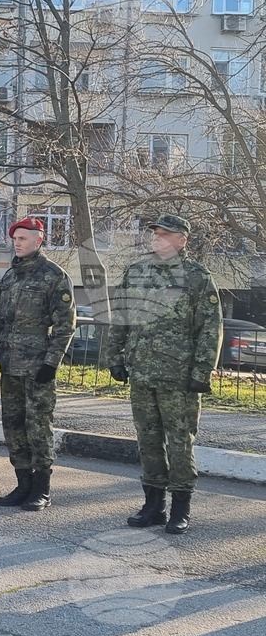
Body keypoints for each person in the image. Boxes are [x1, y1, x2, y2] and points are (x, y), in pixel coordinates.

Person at [105, 214, 223, 535]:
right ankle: (153, 506)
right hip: (142, 372)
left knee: (180, 442)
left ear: (182, 240)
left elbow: (210, 328)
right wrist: (114, 357)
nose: (156, 238)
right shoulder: (137, 271)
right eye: (155, 233)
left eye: (164, 234)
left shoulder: (197, 277)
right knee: (148, 440)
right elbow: (122, 317)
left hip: (179, 377)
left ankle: (180, 508)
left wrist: (202, 370)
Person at [0, 217, 76, 511]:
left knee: (38, 426)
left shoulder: (53, 276)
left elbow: (65, 325)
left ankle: (41, 488)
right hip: (10, 363)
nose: (17, 243)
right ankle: (22, 483)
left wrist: (52, 362)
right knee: (13, 425)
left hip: (37, 365)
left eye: (23, 238)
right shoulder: (10, 276)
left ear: (39, 241)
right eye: (15, 238)